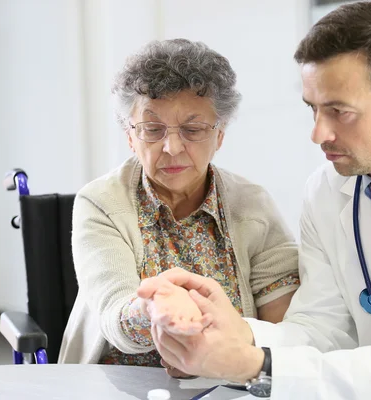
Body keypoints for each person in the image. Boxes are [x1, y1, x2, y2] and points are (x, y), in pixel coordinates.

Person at [136, 2, 371, 398]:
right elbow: (320, 329)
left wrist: (251, 364)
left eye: (338, 111)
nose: (318, 134)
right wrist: (235, 331)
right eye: (313, 109)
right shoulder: (328, 189)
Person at [57, 39, 300, 373]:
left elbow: (286, 325)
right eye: (152, 129)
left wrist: (229, 355)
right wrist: (155, 310)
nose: (171, 147)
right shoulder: (100, 203)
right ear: (130, 136)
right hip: (118, 384)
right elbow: (113, 315)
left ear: (220, 134)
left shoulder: (252, 204)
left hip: (228, 383)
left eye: (192, 129)